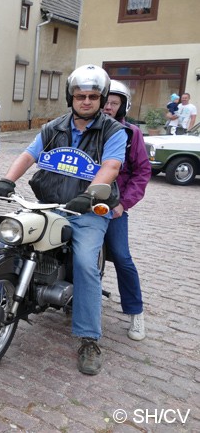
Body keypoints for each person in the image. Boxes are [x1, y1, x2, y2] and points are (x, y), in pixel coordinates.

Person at [0, 64, 127, 376]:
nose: (87, 101)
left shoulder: (112, 131)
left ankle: (89, 339)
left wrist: (91, 195)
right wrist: (7, 180)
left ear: (102, 98)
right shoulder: (54, 127)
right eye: (81, 96)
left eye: (94, 96)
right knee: (8, 242)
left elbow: (111, 167)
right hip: (48, 203)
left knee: (84, 264)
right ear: (71, 97)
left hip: (87, 211)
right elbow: (28, 155)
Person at [102, 80, 151, 341]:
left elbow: (142, 172)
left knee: (121, 256)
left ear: (123, 106)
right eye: (105, 101)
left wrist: (123, 203)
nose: (108, 107)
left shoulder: (132, 134)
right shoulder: (87, 129)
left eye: (114, 103)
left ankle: (136, 311)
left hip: (113, 206)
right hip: (79, 202)